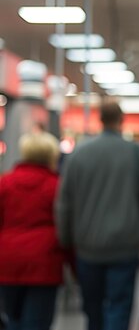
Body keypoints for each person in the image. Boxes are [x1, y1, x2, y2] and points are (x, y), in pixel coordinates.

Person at [55, 102, 139, 330]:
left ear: (100, 119)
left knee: (92, 309)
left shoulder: (78, 155)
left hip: (87, 247)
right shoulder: (136, 153)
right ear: (121, 119)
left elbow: (64, 203)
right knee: (119, 307)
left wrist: (66, 239)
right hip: (124, 246)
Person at [0, 132, 65, 330]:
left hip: (7, 263)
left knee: (13, 320)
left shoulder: (4, 184)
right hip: (44, 264)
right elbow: (65, 228)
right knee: (37, 323)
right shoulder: (57, 187)